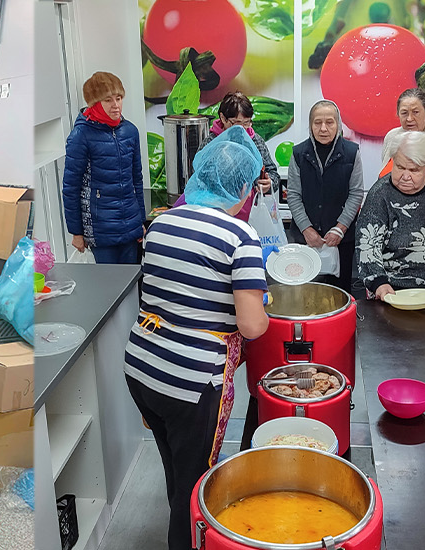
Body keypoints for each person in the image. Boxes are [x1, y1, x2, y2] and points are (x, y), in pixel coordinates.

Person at [125, 129, 270, 550]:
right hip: (192, 382)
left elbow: (177, 289)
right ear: (244, 186)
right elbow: (252, 326)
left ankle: (180, 520)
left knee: (176, 469)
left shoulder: (161, 222)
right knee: (195, 489)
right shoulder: (240, 238)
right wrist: (260, 300)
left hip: (143, 368)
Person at [355, 131, 425, 297]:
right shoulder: (380, 194)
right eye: (400, 167)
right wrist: (379, 283)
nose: (405, 176)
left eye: (414, 170)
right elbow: (366, 245)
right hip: (395, 291)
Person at [62, 71, 146, 263]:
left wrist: (139, 220)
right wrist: (76, 232)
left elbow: (137, 179)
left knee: (132, 283)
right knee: (110, 287)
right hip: (101, 230)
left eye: (118, 98)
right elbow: (70, 188)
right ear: (95, 103)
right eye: (108, 100)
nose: (116, 105)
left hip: (130, 226)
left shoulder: (130, 131)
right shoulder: (80, 136)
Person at [287, 100, 367, 286]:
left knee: (339, 293)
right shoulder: (299, 153)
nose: (323, 128)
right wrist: (307, 229)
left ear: (338, 124)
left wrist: (340, 228)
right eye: (317, 122)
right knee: (306, 291)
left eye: (329, 122)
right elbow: (293, 194)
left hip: (341, 240)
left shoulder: (351, 152)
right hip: (304, 238)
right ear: (310, 125)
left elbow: (356, 193)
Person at [201, 92, 281, 221]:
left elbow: (273, 174)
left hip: (250, 215)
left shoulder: (255, 141)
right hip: (216, 213)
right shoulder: (211, 143)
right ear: (223, 118)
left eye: (247, 123)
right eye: (237, 123)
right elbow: (199, 179)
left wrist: (268, 183)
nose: (243, 129)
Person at [383, 88, 425, 169]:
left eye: (415, 112)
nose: (409, 119)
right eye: (404, 113)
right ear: (398, 114)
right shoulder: (391, 136)